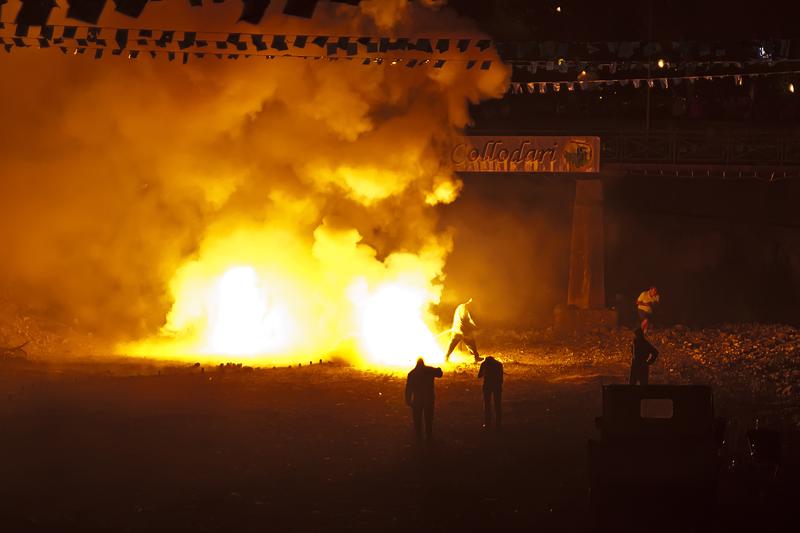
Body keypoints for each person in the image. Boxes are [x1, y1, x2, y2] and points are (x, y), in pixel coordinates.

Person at [405, 358, 443, 442]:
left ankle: (418, 436)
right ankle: (429, 435)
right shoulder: (429, 370)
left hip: (417, 400)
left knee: (417, 419)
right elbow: (440, 374)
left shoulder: (412, 373)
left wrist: (408, 400)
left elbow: (408, 388)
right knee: (429, 418)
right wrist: (438, 369)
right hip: (429, 399)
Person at [444, 298, 483, 363]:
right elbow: (471, 319)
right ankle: (476, 357)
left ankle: (446, 357)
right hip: (464, 330)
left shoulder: (460, 306)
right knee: (471, 342)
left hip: (456, 329)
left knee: (452, 344)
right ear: (472, 302)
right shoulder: (468, 308)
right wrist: (477, 327)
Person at [478, 356, 503, 430]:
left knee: (487, 405)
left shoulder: (484, 364)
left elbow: (479, 375)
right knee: (497, 405)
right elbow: (501, 377)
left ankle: (487, 424)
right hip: (497, 385)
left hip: (487, 385)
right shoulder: (499, 364)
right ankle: (498, 424)